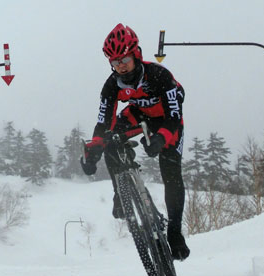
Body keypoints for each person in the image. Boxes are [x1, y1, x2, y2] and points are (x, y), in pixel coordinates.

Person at [81, 23, 190, 261]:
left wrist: (160, 139)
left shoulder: (160, 75)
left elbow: (173, 117)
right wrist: (94, 149)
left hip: (166, 121)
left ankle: (174, 232)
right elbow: (103, 122)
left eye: (125, 60)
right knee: (109, 140)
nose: (120, 66)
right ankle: (120, 192)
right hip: (139, 114)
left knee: (171, 171)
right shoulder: (112, 84)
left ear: (136, 54)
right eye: (114, 62)